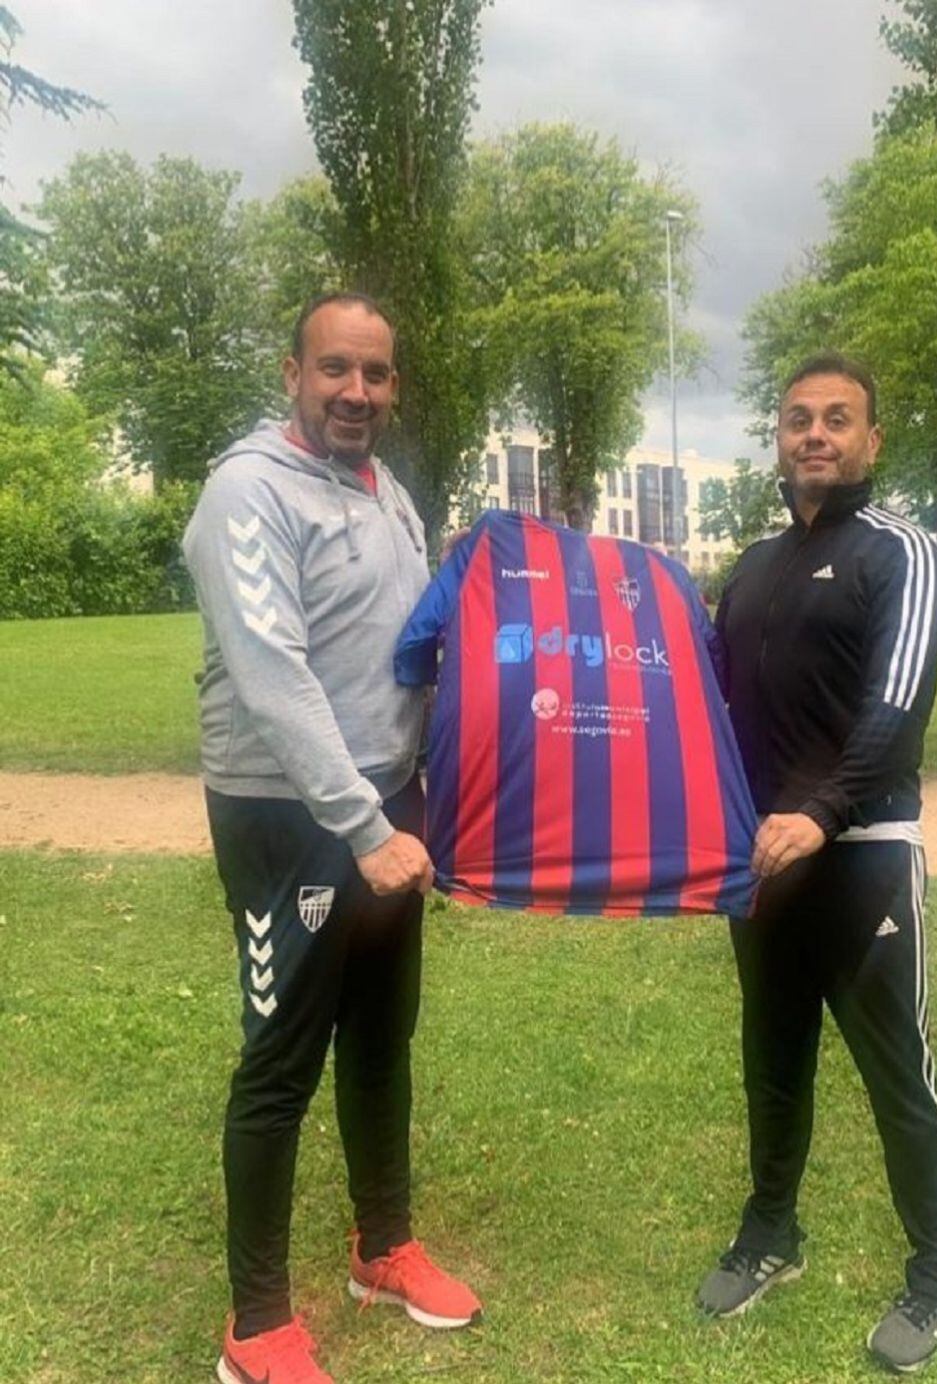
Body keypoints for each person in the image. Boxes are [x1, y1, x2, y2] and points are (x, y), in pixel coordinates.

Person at [183, 292, 481, 1384]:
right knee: (279, 1060)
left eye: (376, 374)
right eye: (335, 370)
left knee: (379, 1035)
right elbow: (271, 675)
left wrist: (435, 803)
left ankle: (381, 1246)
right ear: (293, 372)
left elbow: (406, 652)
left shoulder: (384, 490)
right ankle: (256, 1324)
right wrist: (361, 826)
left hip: (385, 812)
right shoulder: (247, 492)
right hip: (288, 813)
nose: (356, 391)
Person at [702, 353, 937, 1374]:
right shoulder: (755, 566)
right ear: (778, 437)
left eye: (837, 419)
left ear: (872, 439)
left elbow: (895, 712)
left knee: (897, 1071)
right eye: (797, 419)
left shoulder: (902, 551)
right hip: (764, 865)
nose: (815, 435)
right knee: (772, 1061)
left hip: (862, 856)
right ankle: (773, 1234)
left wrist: (818, 814)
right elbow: (713, 709)